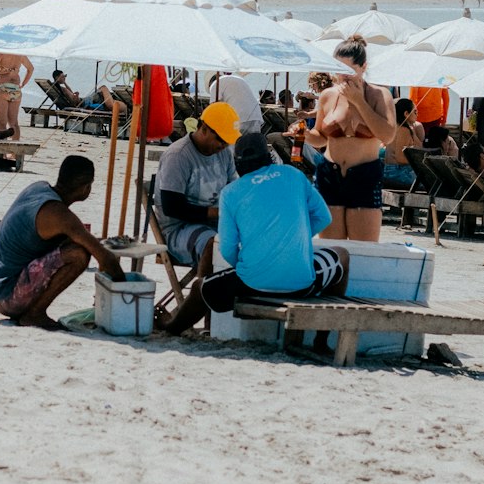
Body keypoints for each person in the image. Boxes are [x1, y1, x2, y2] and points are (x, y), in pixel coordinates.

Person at [157, 132, 349, 334]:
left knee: (200, 289)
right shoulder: (294, 175)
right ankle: (322, 340)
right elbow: (324, 218)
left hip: (252, 284)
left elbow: (227, 248)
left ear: (238, 165)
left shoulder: (231, 193)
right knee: (342, 256)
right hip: (303, 284)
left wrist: (250, 263)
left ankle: (171, 328)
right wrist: (293, 240)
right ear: (269, 157)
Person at [0, 153, 125, 329]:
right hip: (8, 296)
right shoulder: (60, 214)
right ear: (86, 188)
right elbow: (105, 258)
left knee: (78, 245)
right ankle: (34, 314)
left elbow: (79, 238)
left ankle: (33, 312)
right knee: (79, 255)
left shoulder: (38, 188)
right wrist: (125, 287)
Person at [307, 37, 396, 240]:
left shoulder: (380, 95)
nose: (343, 76)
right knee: (331, 248)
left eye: (349, 69)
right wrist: (304, 134)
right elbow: (321, 138)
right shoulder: (328, 96)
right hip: (330, 172)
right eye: (339, 69)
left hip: (364, 174)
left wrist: (359, 102)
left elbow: (388, 135)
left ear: (363, 67)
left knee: (363, 250)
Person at [153, 101, 240, 274]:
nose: (223, 145)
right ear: (204, 128)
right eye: (220, 140)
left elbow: (233, 191)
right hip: (179, 228)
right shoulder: (178, 156)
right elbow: (172, 207)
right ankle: (203, 294)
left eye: (227, 141)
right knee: (212, 245)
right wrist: (216, 213)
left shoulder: (224, 154)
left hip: (214, 224)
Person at [0, 51, 33, 139]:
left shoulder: (1, 52)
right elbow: (31, 69)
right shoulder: (20, 53)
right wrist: (23, 84)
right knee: (14, 123)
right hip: (16, 89)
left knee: (1, 123)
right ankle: (14, 152)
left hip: (2, 87)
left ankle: (3, 152)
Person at [383, 98, 424, 189]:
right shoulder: (403, 130)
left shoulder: (397, 127)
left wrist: (413, 131)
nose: (417, 115)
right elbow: (400, 158)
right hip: (397, 173)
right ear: (406, 114)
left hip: (391, 171)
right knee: (430, 184)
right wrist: (417, 163)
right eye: (415, 112)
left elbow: (420, 146)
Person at [50, 69, 115, 111]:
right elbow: (74, 101)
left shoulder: (60, 90)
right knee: (103, 88)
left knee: (103, 92)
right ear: (57, 78)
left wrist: (64, 82)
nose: (64, 78)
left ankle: (112, 101)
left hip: (85, 101)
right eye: (63, 76)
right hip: (86, 102)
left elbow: (71, 94)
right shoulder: (63, 90)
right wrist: (76, 96)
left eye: (65, 76)